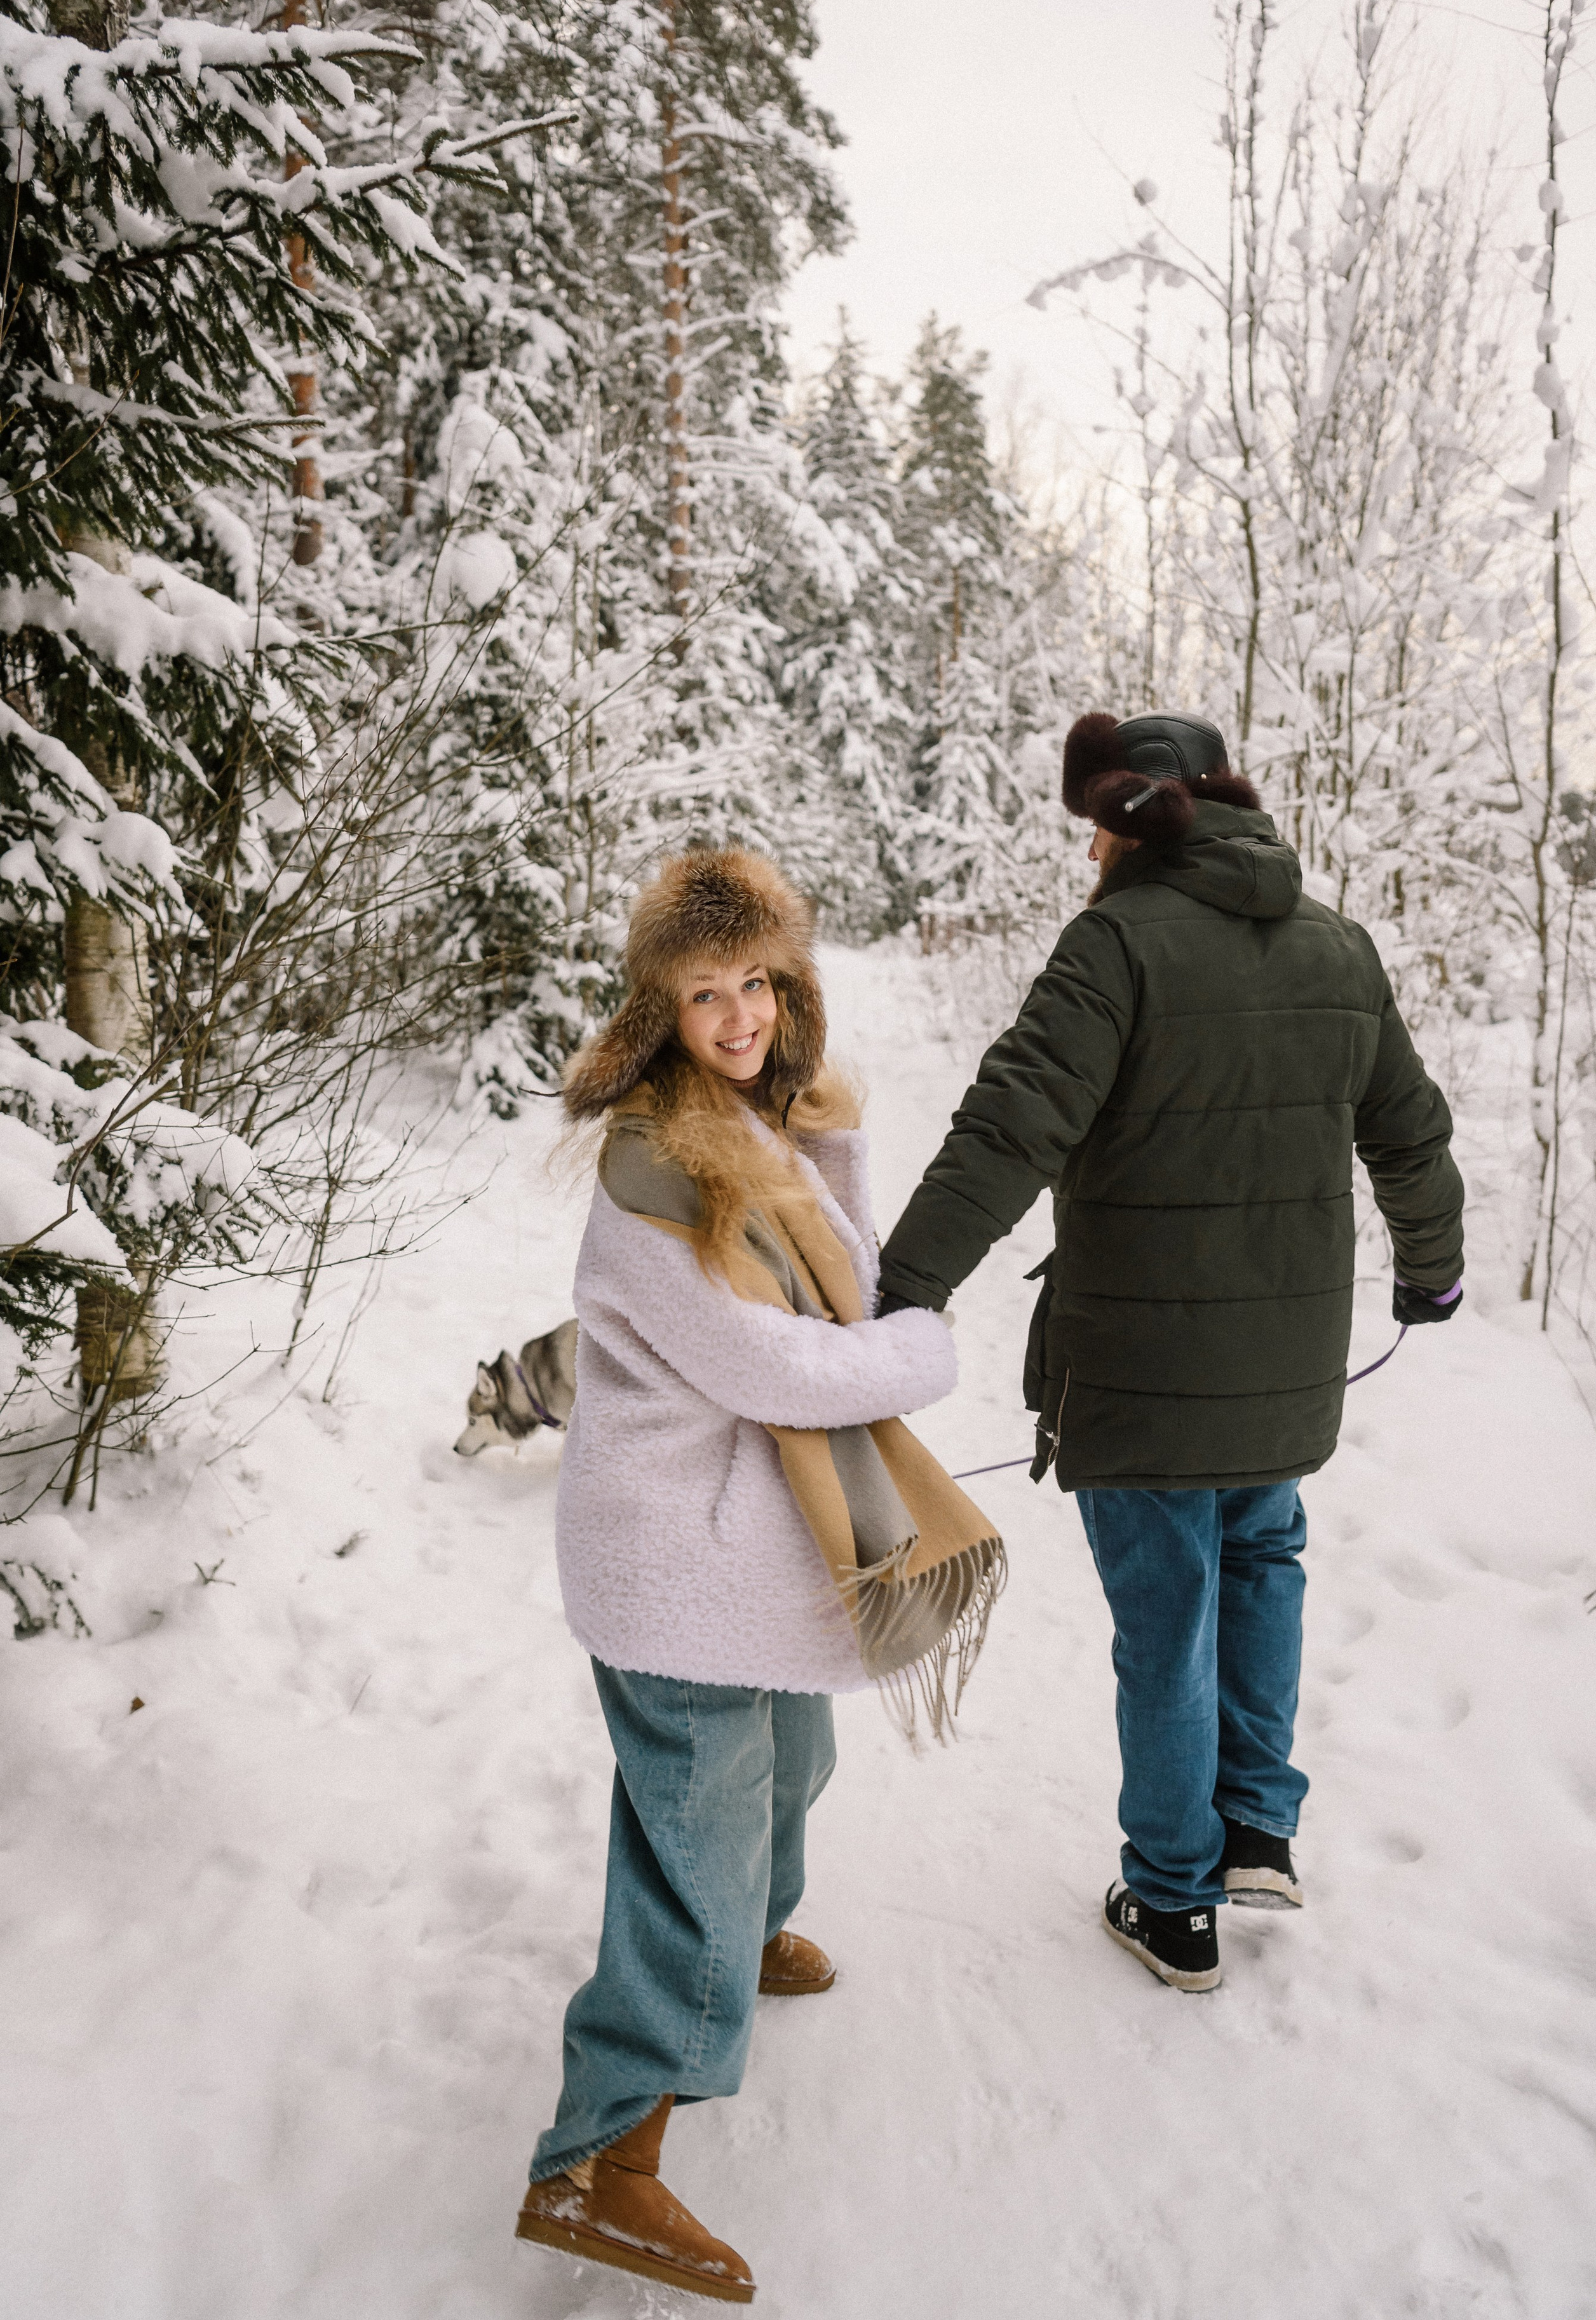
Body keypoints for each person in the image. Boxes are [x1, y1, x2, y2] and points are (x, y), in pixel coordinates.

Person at [876, 710, 1464, 1994]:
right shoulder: (1335, 945)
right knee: (1259, 1560)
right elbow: (1408, 1135)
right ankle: (1255, 1824)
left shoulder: (1115, 945)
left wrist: (899, 1290)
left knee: (1167, 1618)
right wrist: (1431, 1268)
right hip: (1285, 1367)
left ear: (1125, 821)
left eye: (1094, 826)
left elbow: (1007, 1131)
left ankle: (1171, 1896)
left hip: (1136, 1374)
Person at [516, 847, 1003, 2302]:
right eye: (704, 992)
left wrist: (824, 1127)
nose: (734, 1017)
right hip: (674, 1563)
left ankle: (745, 1932)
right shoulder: (656, 1165)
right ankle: (600, 2161)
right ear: (658, 1009)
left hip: (741, 1558)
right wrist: (925, 1354)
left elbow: (834, 1276)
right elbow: (776, 1361)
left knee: (789, 1767)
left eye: (758, 985)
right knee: (691, 1853)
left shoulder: (751, 1123)